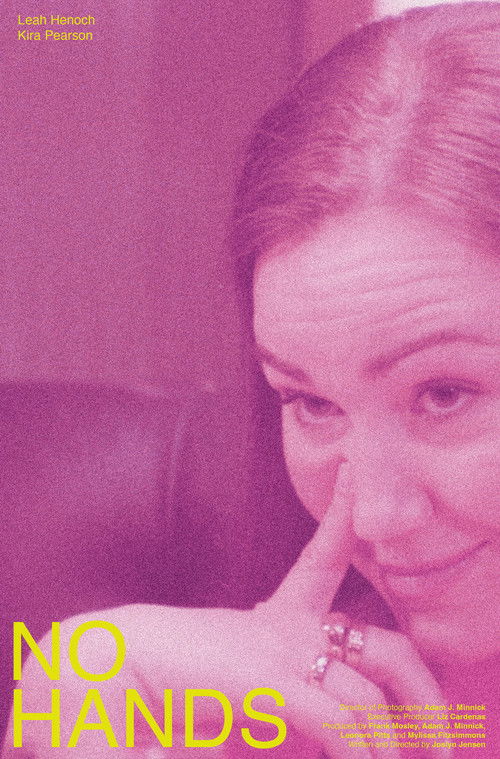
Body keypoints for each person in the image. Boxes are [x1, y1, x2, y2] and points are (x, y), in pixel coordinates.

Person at [3, 2, 498, 758]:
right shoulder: (285, 707)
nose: (374, 517)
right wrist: (67, 687)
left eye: (445, 394)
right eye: (312, 402)